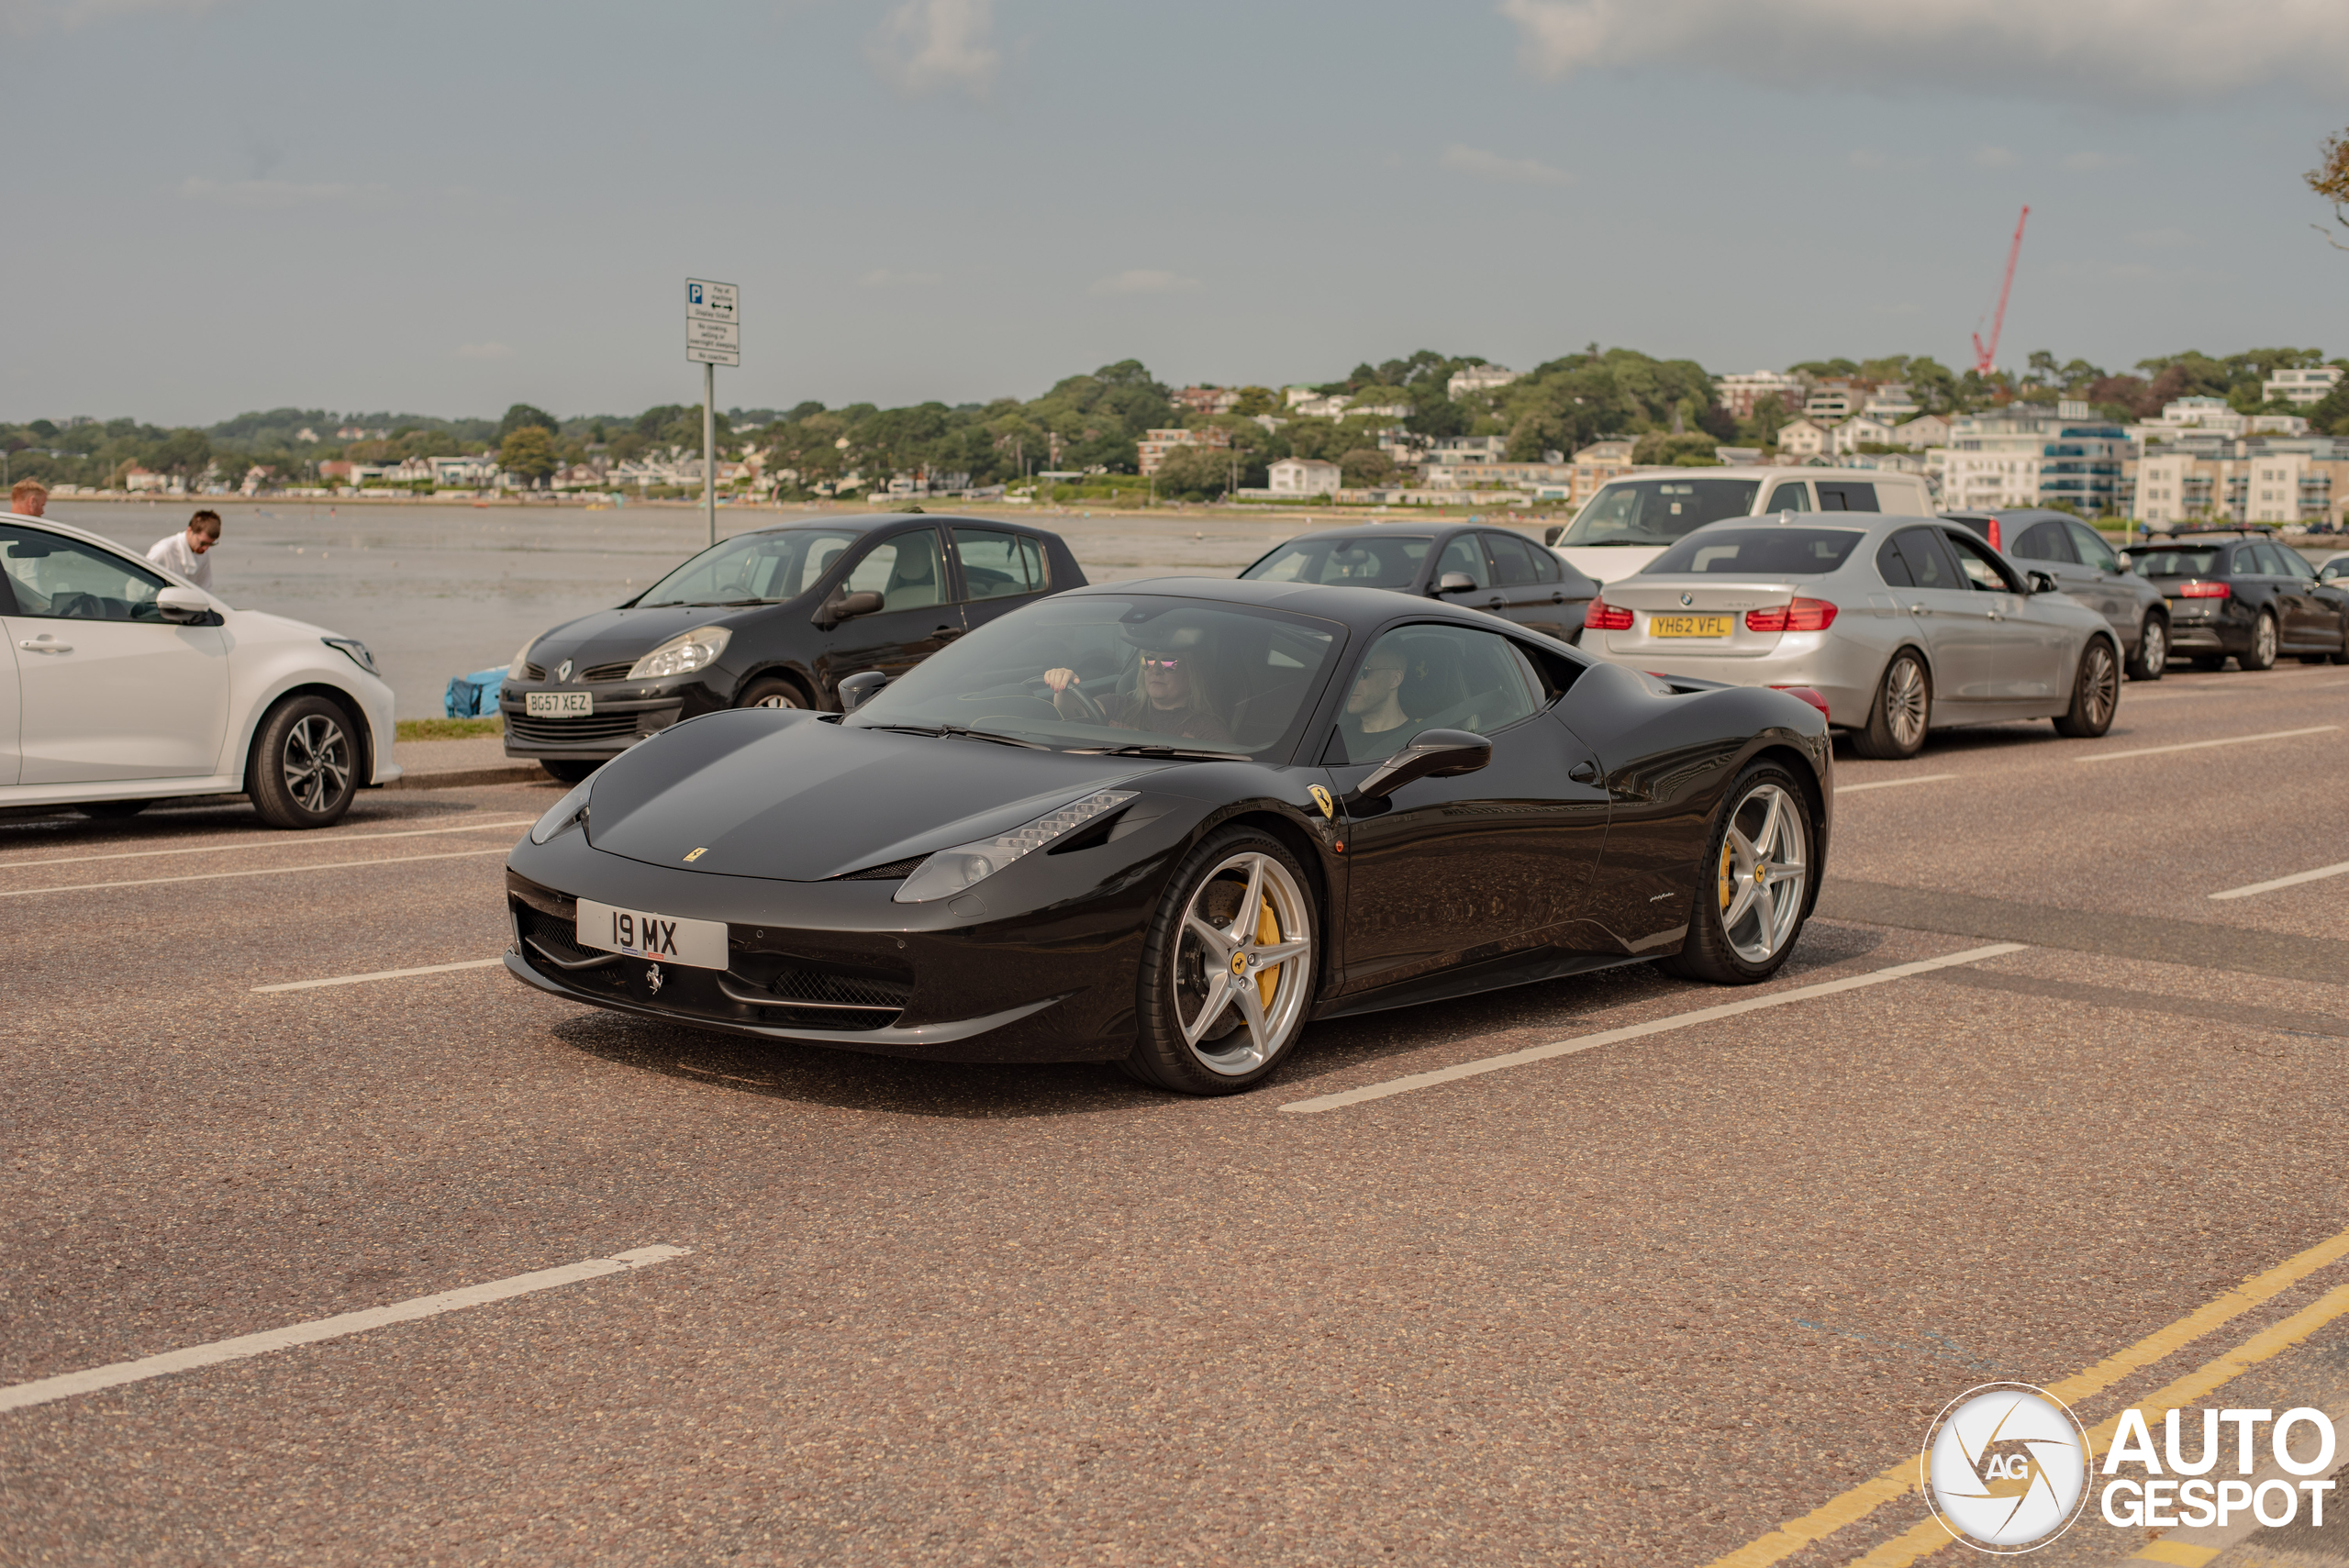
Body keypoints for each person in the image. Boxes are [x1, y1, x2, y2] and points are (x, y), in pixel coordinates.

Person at [1043, 639, 1235, 748]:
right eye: (1149, 661)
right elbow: (1072, 712)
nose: (1156, 670)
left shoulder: (1206, 728)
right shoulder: (1118, 705)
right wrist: (1062, 684)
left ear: (1192, 675)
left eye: (1169, 663)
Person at [1334, 642, 1414, 760]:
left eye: (1363, 672)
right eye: (1349, 673)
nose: (1351, 682)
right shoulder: (1336, 740)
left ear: (1395, 679)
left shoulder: (1417, 744)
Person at [148, 508, 221, 589]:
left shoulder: (203, 553)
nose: (206, 548)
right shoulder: (163, 550)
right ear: (189, 530)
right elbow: (138, 586)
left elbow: (205, 588)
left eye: (211, 544)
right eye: (202, 543)